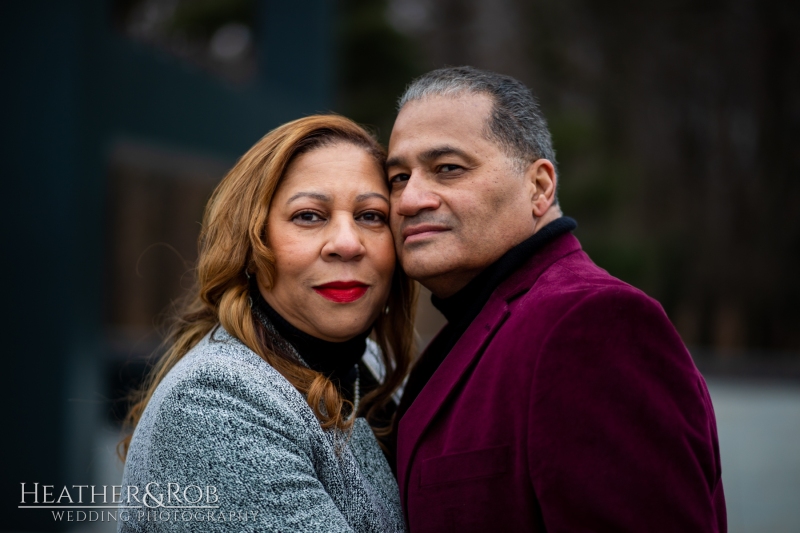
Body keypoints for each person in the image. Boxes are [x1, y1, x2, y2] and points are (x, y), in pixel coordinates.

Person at [387, 66, 726, 532]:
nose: (409, 200)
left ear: (540, 187)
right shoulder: (473, 326)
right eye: (398, 177)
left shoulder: (593, 324)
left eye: (448, 168)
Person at [119, 115, 416, 532]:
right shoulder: (213, 404)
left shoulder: (373, 367)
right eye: (310, 216)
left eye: (371, 216)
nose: (348, 244)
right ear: (251, 244)